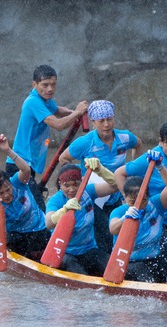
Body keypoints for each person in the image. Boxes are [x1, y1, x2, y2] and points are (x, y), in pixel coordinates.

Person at [58, 100, 142, 253]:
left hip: (116, 194)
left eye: (109, 119)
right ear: (93, 122)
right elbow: (63, 159)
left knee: (119, 233)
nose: (106, 124)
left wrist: (132, 171)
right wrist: (78, 179)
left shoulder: (125, 137)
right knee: (104, 235)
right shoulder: (85, 142)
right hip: (93, 197)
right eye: (101, 121)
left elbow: (138, 145)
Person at [6, 65, 88, 211]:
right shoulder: (33, 102)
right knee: (39, 209)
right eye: (45, 85)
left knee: (30, 207)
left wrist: (74, 112)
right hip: (18, 165)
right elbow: (58, 124)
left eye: (53, 85)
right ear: (34, 84)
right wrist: (77, 112)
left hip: (29, 164)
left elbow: (57, 110)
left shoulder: (45, 99)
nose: (50, 89)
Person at [115, 121, 167, 254]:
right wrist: (130, 202)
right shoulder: (151, 158)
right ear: (161, 142)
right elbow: (119, 173)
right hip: (159, 216)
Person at [108, 151, 167, 282]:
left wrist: (160, 167)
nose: (138, 205)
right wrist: (125, 218)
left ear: (148, 196)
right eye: (132, 201)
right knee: (144, 274)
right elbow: (113, 229)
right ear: (125, 198)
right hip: (128, 263)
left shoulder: (156, 204)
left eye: (143, 200)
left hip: (154, 259)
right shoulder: (119, 212)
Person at [44, 159, 117, 276]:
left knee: (114, 269)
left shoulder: (88, 191)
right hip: (65, 253)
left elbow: (116, 186)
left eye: (76, 184)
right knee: (79, 273)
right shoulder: (56, 201)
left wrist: (100, 170)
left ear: (82, 182)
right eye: (66, 185)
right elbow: (48, 223)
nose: (71, 189)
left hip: (89, 249)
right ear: (60, 184)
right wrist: (64, 210)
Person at [0, 133, 50, 258]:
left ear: (10, 183)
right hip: (17, 237)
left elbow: (26, 170)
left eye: (8, 190)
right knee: (12, 240)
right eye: (1, 193)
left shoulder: (17, 182)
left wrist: (7, 150)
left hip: (39, 230)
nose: (6, 195)